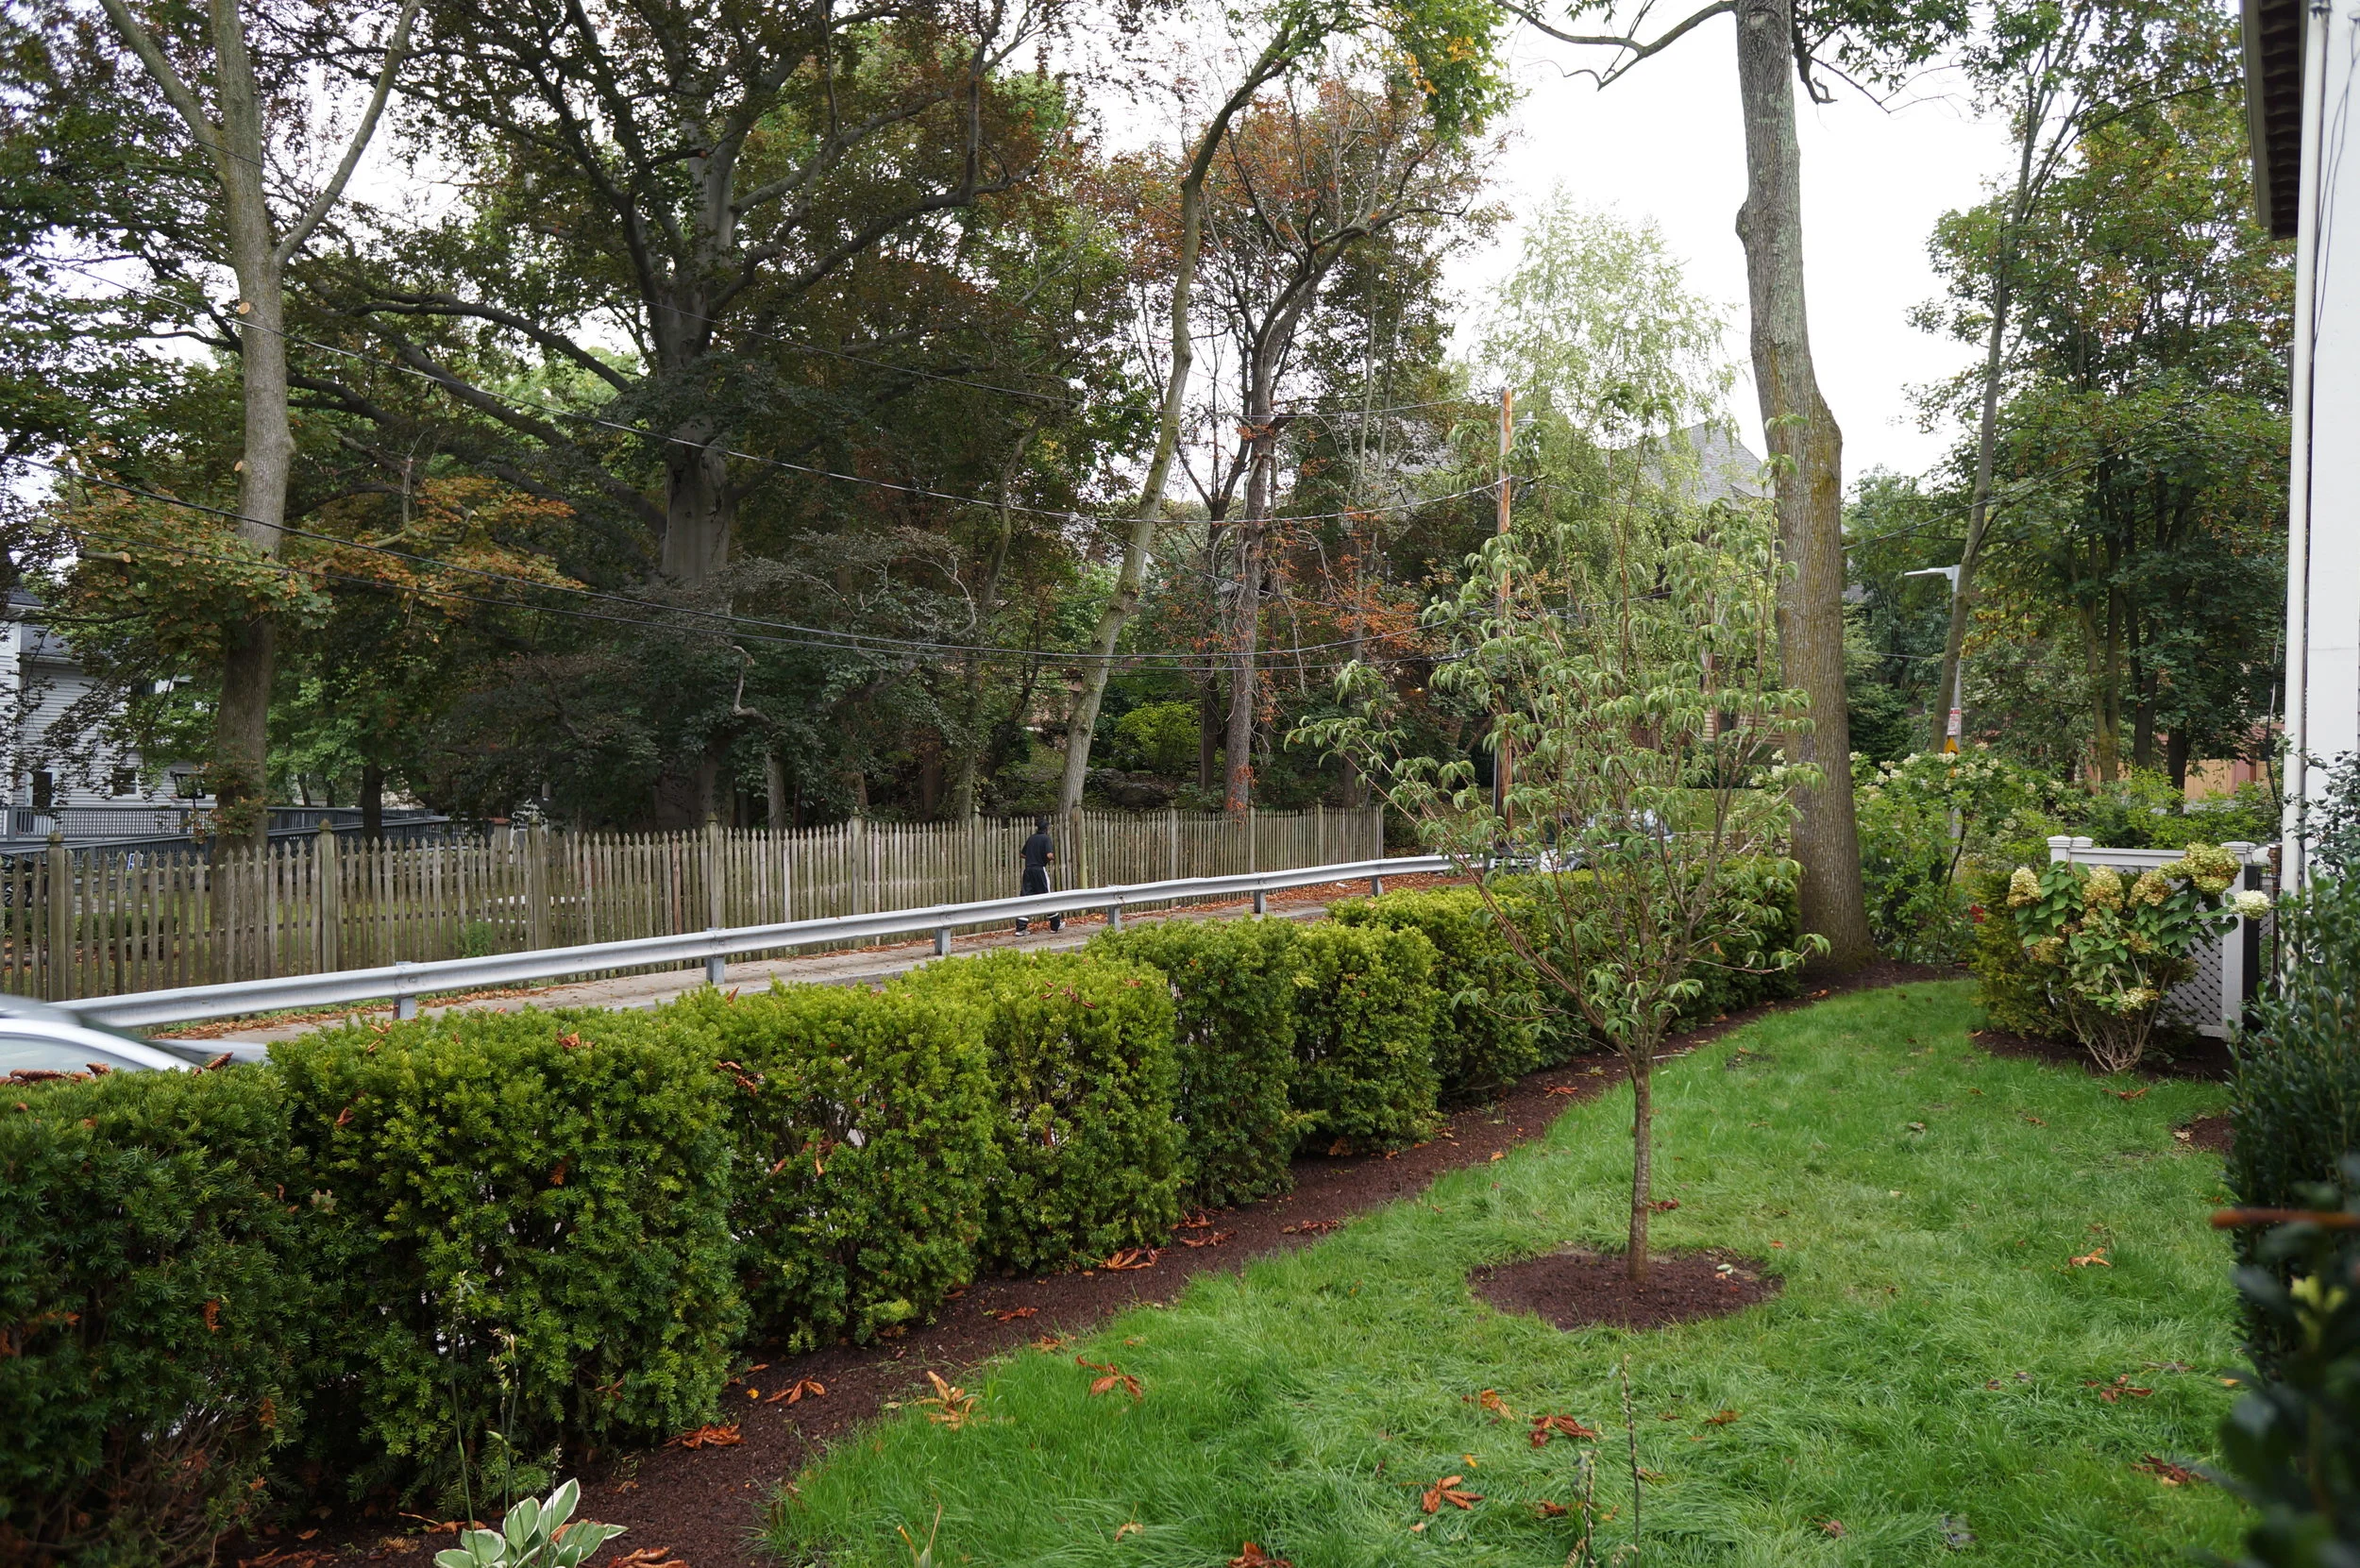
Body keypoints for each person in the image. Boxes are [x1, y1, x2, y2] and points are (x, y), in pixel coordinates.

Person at [1015, 815, 1062, 935]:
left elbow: (1022, 854)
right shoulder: (1046, 839)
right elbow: (1049, 855)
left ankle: (1020, 928)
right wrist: (1052, 858)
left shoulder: (1031, 838)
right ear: (1046, 828)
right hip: (1039, 870)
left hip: (1028, 870)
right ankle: (1055, 925)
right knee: (1046, 896)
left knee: (1026, 898)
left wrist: (1032, 856)